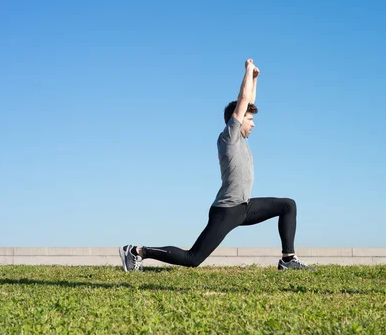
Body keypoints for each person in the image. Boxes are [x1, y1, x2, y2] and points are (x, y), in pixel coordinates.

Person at [120, 59, 313, 271]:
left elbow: (248, 101)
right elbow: (243, 99)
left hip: (244, 207)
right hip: (226, 210)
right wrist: (248, 71)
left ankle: (287, 259)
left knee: (288, 205)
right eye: (249, 119)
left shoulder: (241, 140)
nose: (254, 123)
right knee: (193, 258)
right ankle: (137, 251)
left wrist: (255, 79)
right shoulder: (229, 137)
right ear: (236, 120)